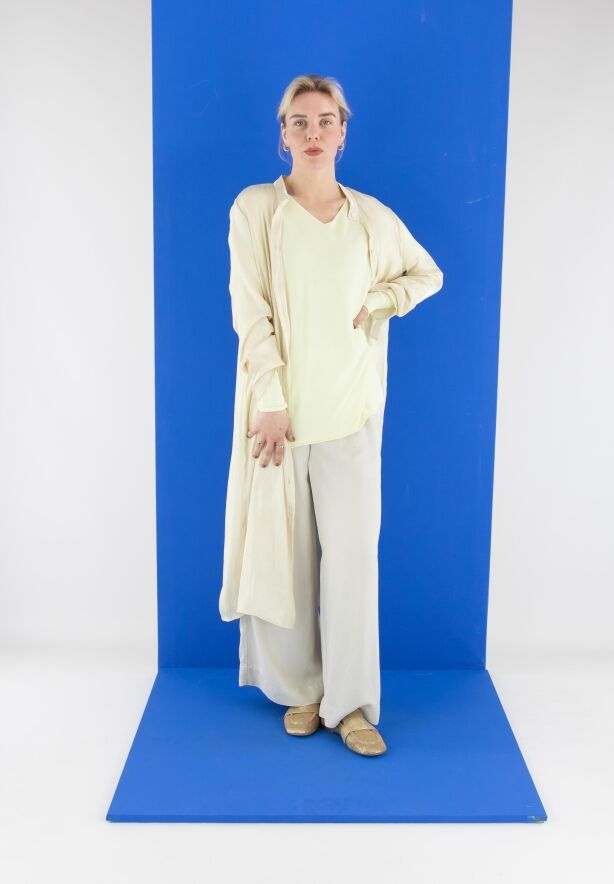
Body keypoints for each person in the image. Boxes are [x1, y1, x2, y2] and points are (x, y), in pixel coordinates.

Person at [219, 74, 443, 756]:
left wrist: (380, 302)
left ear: (343, 132)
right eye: (299, 122)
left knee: (351, 564)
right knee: (284, 562)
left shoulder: (371, 218)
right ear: (282, 135)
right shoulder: (257, 209)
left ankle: (351, 706)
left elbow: (425, 274)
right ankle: (303, 691)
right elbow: (250, 310)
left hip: (350, 416)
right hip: (279, 423)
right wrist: (270, 401)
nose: (312, 133)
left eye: (324, 121)